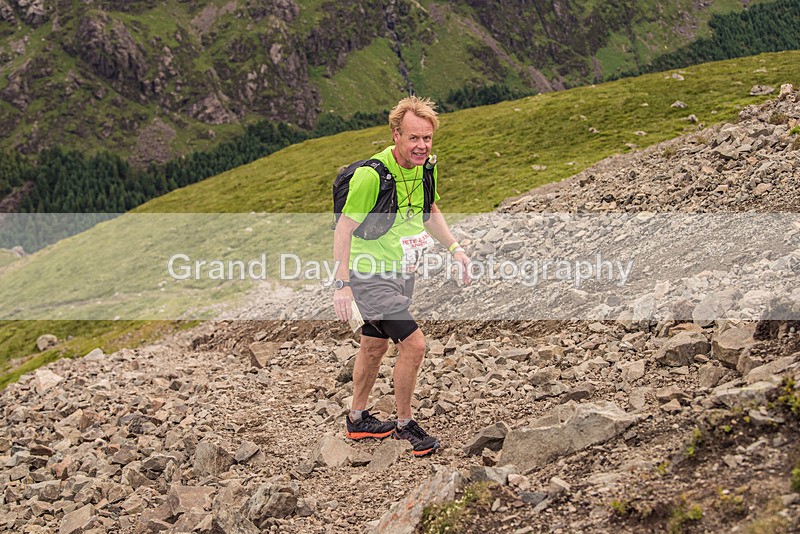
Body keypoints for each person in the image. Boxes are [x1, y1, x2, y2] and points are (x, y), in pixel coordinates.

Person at [332, 96, 470, 457]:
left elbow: (429, 210)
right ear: (396, 134)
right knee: (414, 344)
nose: (421, 146)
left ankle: (357, 418)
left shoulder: (426, 167)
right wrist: (342, 284)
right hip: (368, 275)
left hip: (401, 271)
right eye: (413, 138)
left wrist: (455, 248)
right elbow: (343, 229)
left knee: (375, 345)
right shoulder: (370, 176)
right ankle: (406, 425)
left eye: (427, 138)